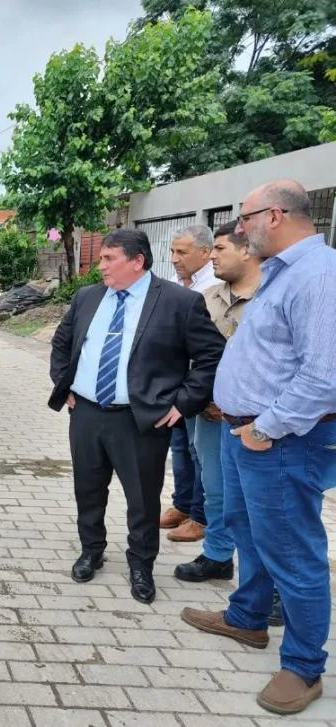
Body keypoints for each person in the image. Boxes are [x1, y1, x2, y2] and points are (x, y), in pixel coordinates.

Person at [181, 180, 336, 715]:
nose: (239, 229)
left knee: (294, 552)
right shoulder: (283, 273)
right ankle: (247, 619)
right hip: (245, 432)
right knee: (249, 531)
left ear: (273, 215)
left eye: (243, 218)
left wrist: (265, 427)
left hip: (281, 441)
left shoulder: (318, 276)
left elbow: (323, 377)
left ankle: (303, 667)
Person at [49, 229, 224, 604]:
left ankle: (141, 565)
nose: (101, 267)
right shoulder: (87, 298)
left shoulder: (179, 302)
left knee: (142, 498)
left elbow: (211, 356)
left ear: (137, 261)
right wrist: (64, 386)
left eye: (108, 259)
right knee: (88, 490)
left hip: (141, 420)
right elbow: (62, 343)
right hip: (87, 414)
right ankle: (91, 550)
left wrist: (182, 404)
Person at [173, 223, 260, 582]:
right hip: (208, 412)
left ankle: (265, 583)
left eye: (220, 248)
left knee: (258, 502)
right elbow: (191, 353)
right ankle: (218, 555)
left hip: (256, 420)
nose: (212, 255)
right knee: (215, 488)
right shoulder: (207, 297)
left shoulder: (270, 297)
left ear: (246, 250)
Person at [161, 225, 219, 541]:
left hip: (200, 383)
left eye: (182, 252)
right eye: (172, 251)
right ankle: (181, 504)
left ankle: (201, 515)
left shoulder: (214, 286)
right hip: (175, 381)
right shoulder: (176, 284)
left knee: (201, 452)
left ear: (205, 252)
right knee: (180, 447)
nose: (174, 258)